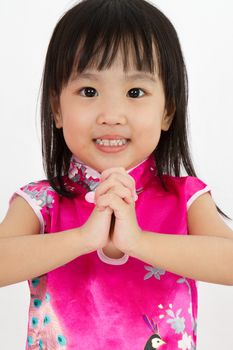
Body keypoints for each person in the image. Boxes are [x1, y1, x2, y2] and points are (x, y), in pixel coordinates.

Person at [0, 0, 232, 349]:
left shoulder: (186, 197)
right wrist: (82, 238)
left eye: (135, 92)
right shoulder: (40, 201)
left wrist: (137, 241)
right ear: (56, 107)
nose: (112, 114)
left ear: (167, 111)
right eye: (89, 91)